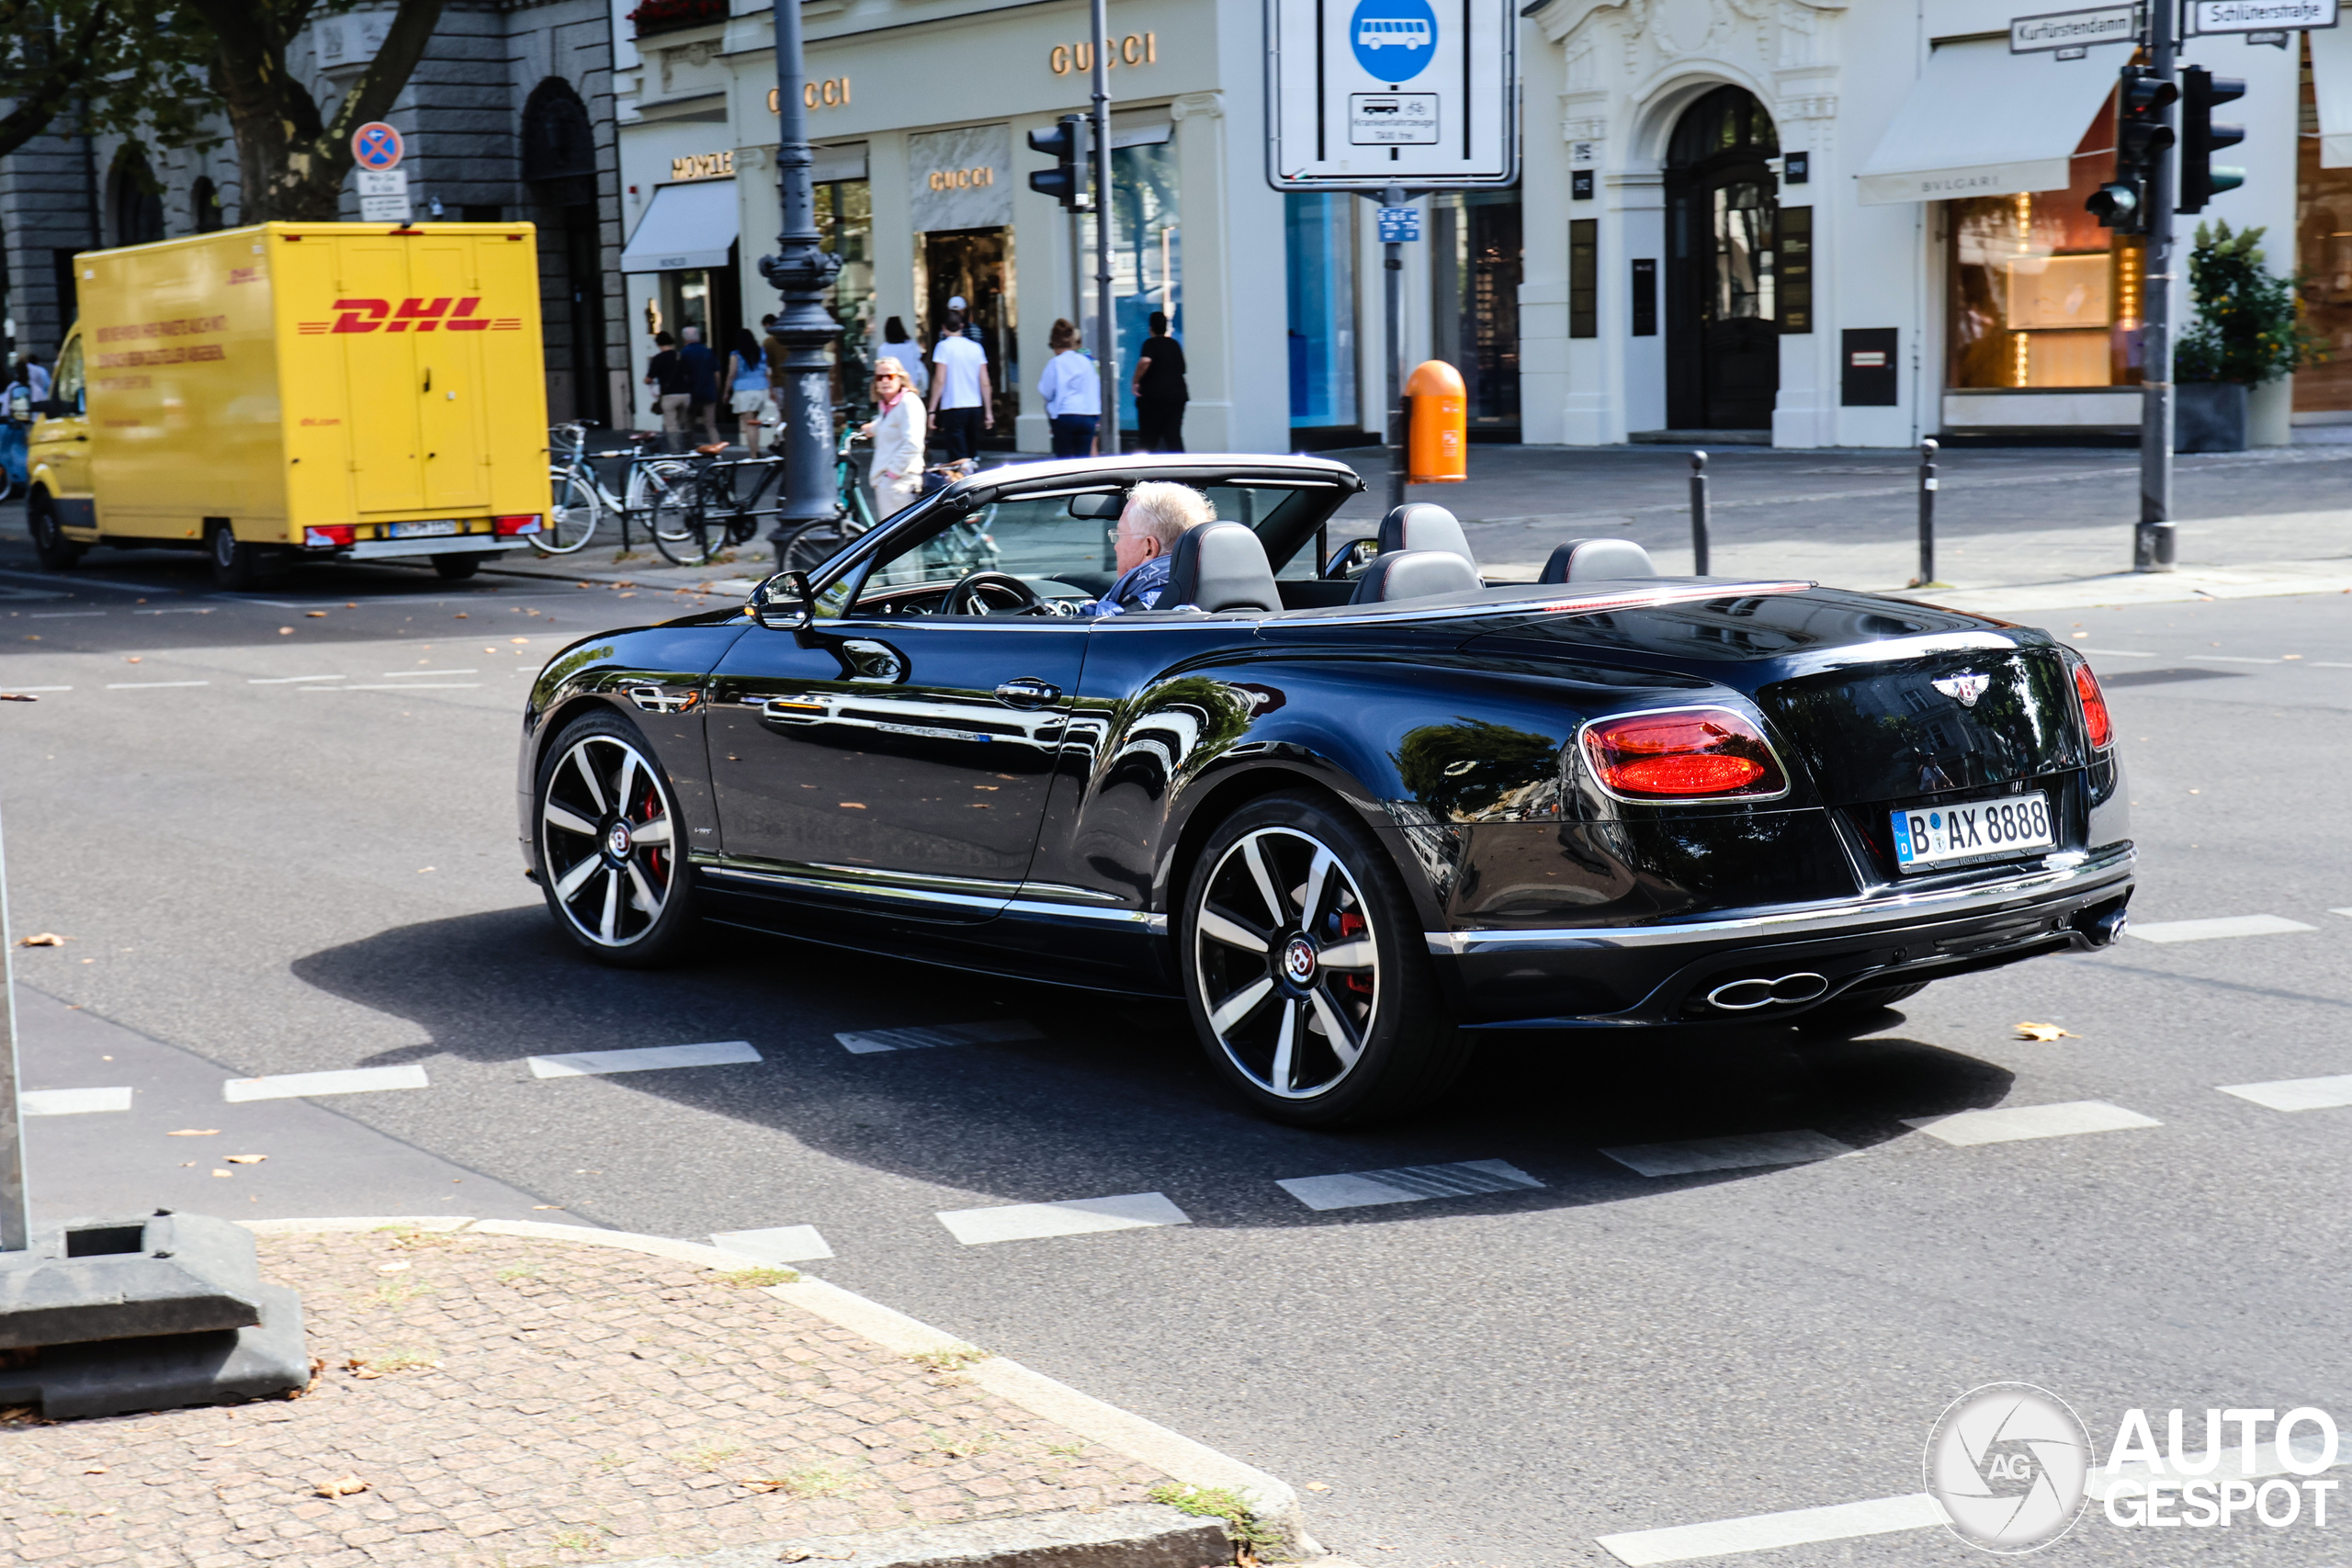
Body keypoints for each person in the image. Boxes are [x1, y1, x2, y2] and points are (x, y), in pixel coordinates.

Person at [1083, 481, 1214, 617]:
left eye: (1120, 535)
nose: (1116, 546)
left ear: (1149, 548)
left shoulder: (1128, 614)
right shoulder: (1224, 597)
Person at [860, 357, 927, 519]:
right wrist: (871, 428)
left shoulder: (908, 402)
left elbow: (913, 444)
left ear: (900, 378)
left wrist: (892, 474)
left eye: (889, 376)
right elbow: (890, 424)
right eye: (879, 377)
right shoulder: (888, 406)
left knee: (900, 540)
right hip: (890, 484)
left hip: (900, 483)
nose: (884, 381)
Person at [928, 306, 991, 461]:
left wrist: (932, 410)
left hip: (953, 405)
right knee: (971, 452)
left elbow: (940, 379)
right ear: (962, 326)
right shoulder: (976, 348)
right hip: (974, 405)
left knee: (958, 456)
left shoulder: (943, 347)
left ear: (944, 328)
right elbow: (984, 381)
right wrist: (988, 411)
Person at [1036, 319, 1100, 459]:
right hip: (1087, 414)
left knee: (1064, 460)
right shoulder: (1085, 362)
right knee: (1083, 458)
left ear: (1054, 344)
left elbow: (1046, 391)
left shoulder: (1055, 363)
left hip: (1065, 414)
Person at [1132, 310, 1188, 453]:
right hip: (1177, 395)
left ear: (1151, 328)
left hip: (1154, 397)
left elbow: (1145, 361)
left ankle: (1139, 471)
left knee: (1148, 437)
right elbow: (1182, 368)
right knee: (1173, 436)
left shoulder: (1150, 344)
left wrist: (1136, 381)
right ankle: (1182, 469)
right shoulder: (1174, 345)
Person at [725, 328, 770, 457]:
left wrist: (726, 391)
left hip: (743, 390)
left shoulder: (736, 355)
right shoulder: (761, 352)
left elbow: (731, 374)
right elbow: (767, 372)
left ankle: (753, 453)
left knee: (749, 424)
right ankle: (757, 448)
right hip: (761, 389)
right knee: (755, 423)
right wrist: (771, 390)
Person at [643, 333, 692, 450]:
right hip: (685, 394)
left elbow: (649, 379)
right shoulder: (680, 356)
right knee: (684, 424)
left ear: (658, 344)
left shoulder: (658, 359)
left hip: (669, 395)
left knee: (671, 426)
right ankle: (688, 448)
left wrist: (647, 381)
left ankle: (676, 452)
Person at [678, 325, 720, 445]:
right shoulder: (708, 352)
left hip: (691, 392)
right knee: (711, 425)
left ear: (684, 338)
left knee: (688, 424)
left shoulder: (684, 353)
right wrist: (717, 390)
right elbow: (717, 374)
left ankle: (689, 450)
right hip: (708, 391)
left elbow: (683, 375)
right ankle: (717, 450)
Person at [876, 316, 926, 397]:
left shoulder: (883, 349)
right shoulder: (911, 345)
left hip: (891, 388)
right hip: (911, 385)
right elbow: (918, 363)